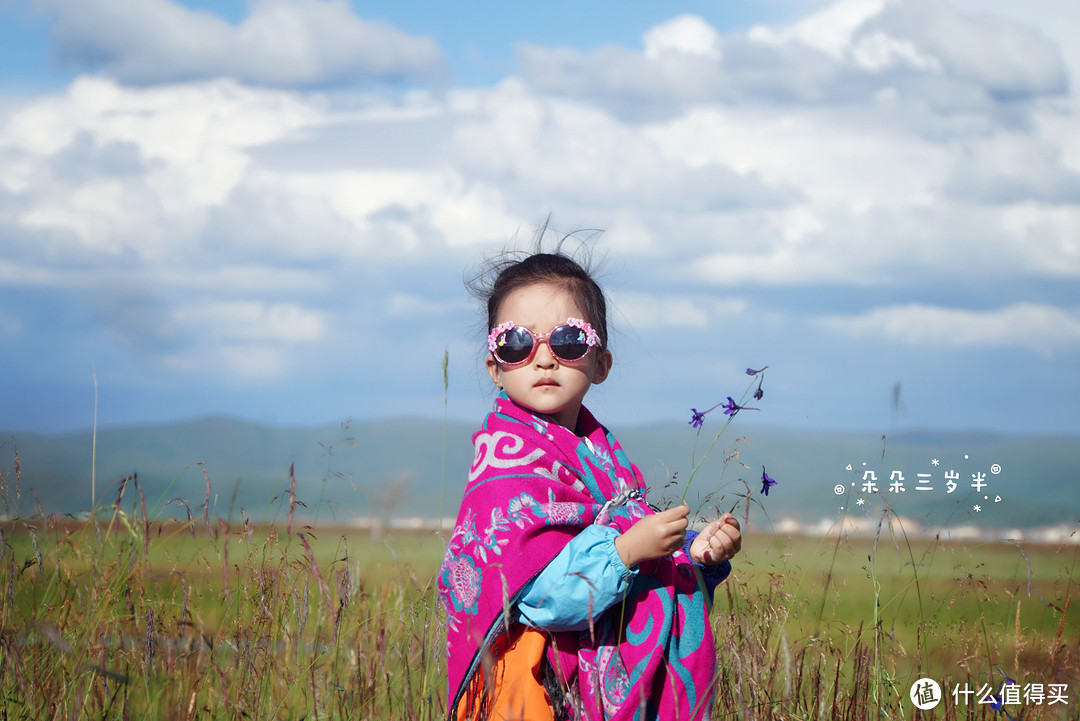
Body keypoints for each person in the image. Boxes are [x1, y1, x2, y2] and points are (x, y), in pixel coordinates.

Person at [439, 242, 742, 721]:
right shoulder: (505, 470)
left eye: (568, 341)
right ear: (495, 368)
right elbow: (537, 598)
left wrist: (694, 559)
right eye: (516, 342)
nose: (543, 359)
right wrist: (624, 553)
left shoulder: (603, 462)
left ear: (600, 363)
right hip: (541, 694)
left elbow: (637, 568)